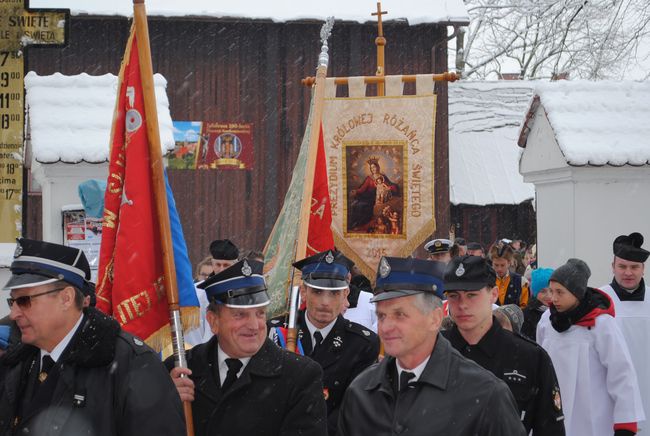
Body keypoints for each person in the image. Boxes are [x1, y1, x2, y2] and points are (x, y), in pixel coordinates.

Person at [0, 238, 184, 436]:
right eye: (13, 302)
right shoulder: (15, 362)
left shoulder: (130, 364)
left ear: (66, 298)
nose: (14, 314)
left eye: (24, 301)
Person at [338, 256, 526, 435]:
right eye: (381, 316)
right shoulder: (361, 393)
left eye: (400, 315)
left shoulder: (485, 394)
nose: (386, 327)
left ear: (435, 319)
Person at [169, 258, 327, 436]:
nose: (254, 325)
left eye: (260, 313)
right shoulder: (182, 369)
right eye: (240, 315)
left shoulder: (300, 376)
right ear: (213, 321)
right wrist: (165, 405)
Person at [443, 255, 565, 435]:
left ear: (493, 294)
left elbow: (550, 429)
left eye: (471, 295)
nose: (462, 305)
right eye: (454, 296)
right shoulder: (431, 352)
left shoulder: (530, 357)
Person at [269, 250, 379, 435]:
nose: (325, 302)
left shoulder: (362, 343)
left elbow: (353, 407)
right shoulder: (275, 333)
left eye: (334, 293)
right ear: (303, 292)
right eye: (317, 291)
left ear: (346, 294)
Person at [537, 258, 644, 436]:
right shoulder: (546, 321)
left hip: (593, 414)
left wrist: (626, 422)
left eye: (560, 292)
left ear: (576, 293)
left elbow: (621, 372)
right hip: (554, 409)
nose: (553, 298)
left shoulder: (601, 324)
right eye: (551, 291)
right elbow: (539, 362)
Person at [600, 232, 650, 433]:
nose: (628, 272)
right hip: (612, 390)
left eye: (634, 267)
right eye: (622, 266)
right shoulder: (600, 300)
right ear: (613, 267)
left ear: (643, 269)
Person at [490, 244, 530, 308]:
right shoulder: (486, 281)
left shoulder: (521, 281)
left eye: (502, 265)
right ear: (492, 263)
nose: (499, 269)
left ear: (509, 263)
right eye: (496, 265)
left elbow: (524, 307)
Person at [521, 268, 553, 341]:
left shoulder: (562, 312)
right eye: (543, 291)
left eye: (551, 290)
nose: (549, 296)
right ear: (535, 293)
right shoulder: (526, 315)